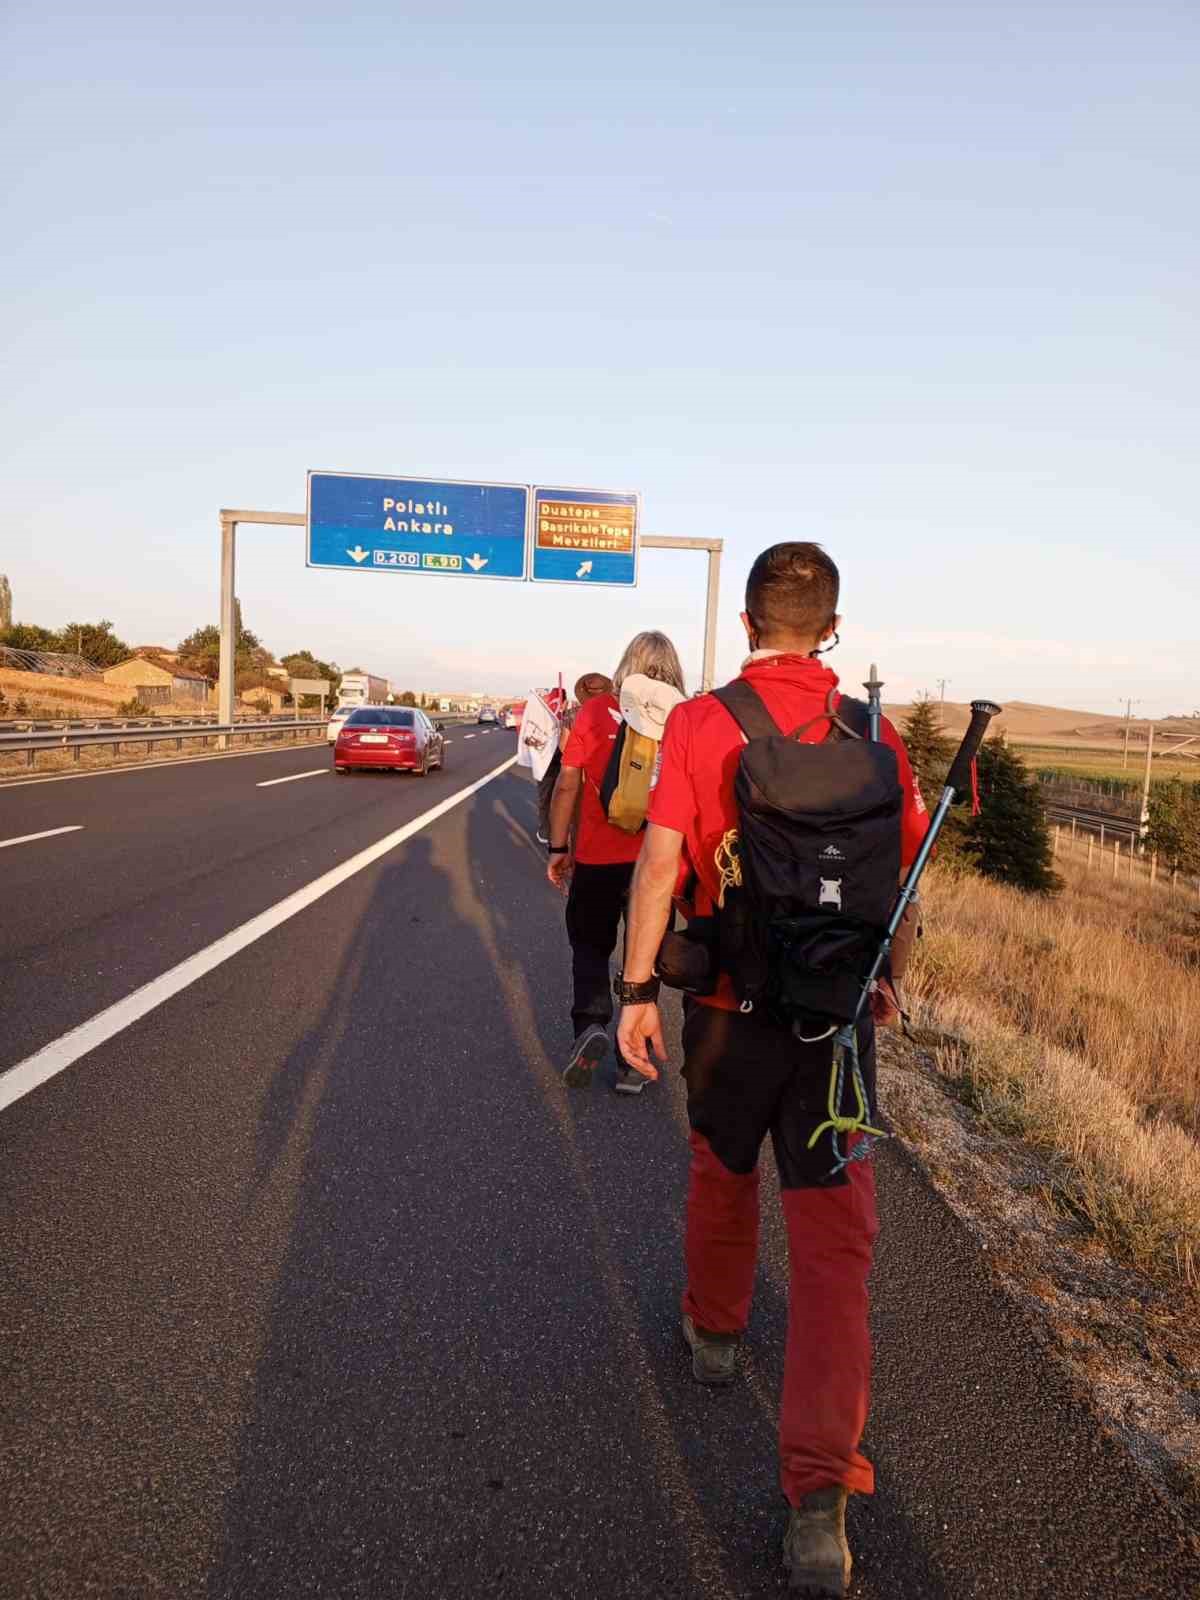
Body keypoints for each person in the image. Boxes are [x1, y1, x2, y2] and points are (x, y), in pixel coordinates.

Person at [615, 544, 928, 1596]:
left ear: (748, 623)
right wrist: (881, 979)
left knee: (722, 1172)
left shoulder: (703, 724)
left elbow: (661, 861)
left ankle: (714, 1329)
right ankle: (820, 1502)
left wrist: (632, 995)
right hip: (834, 1033)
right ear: (831, 627)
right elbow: (903, 892)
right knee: (837, 1252)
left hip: (724, 1016)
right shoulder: (878, 737)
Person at [546, 635, 685, 1095]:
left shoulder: (596, 709)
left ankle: (591, 1025)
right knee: (642, 957)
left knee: (589, 946)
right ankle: (633, 1063)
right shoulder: (684, 715)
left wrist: (558, 848)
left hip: (598, 859)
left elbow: (567, 784)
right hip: (658, 862)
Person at [536, 674, 612, 845]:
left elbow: (564, 748)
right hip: (610, 776)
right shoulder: (616, 713)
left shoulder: (573, 715)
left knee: (578, 819)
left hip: (582, 777)